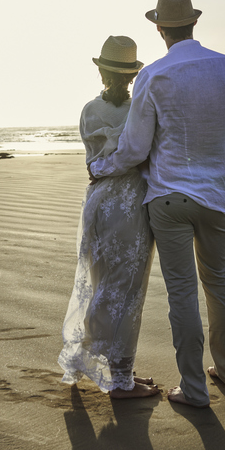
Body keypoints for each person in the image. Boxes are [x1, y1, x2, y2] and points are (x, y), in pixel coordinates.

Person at [88, 0, 225, 407]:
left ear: (159, 27)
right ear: (194, 22)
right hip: (215, 199)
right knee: (218, 282)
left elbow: (135, 149)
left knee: (182, 292)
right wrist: (224, 173)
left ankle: (194, 389)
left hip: (167, 200)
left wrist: (101, 168)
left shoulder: (153, 75)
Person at [58, 36, 160, 399]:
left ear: (101, 70)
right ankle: (121, 379)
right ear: (132, 76)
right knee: (127, 290)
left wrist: (101, 167)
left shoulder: (89, 109)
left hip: (97, 200)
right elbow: (142, 155)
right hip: (129, 202)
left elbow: (92, 161)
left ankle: (98, 363)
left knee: (101, 283)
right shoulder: (140, 109)